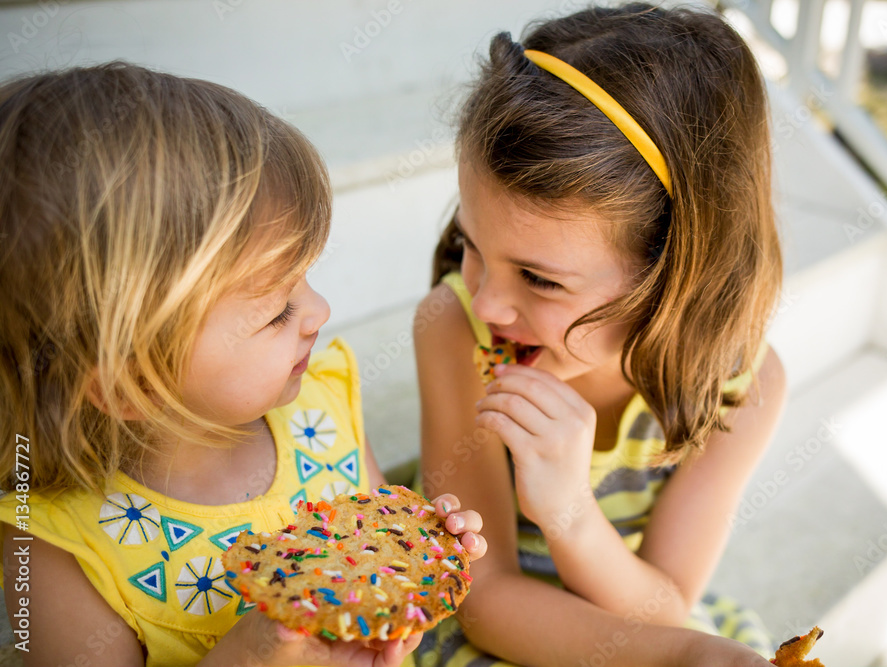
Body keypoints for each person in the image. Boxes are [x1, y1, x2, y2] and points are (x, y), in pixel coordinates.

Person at [0, 62, 487, 667]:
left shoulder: (322, 410)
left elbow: (370, 582)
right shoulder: (62, 545)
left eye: (305, 281)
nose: (320, 311)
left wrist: (404, 576)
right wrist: (250, 654)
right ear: (130, 386)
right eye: (278, 310)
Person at [412, 4, 787, 666]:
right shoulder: (453, 328)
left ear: (679, 274)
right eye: (473, 244)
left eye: (540, 279)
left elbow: (664, 606)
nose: (487, 301)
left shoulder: (741, 386)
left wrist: (569, 512)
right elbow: (483, 595)